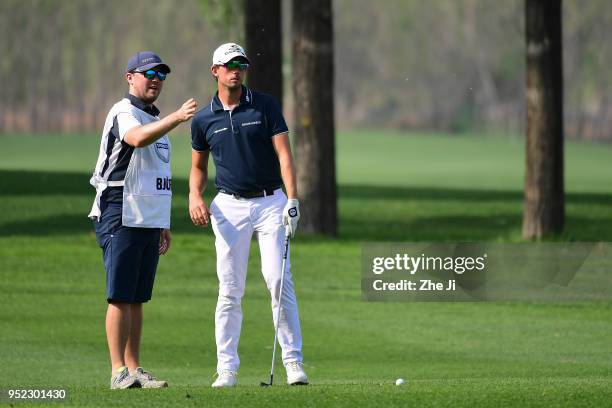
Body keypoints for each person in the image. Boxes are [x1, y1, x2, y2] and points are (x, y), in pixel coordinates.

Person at [189, 43, 308, 387]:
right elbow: (198, 167)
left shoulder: (265, 105)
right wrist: (195, 195)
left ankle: (293, 362)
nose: (236, 70)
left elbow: (284, 156)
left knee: (278, 279)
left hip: (272, 203)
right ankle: (226, 368)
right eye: (229, 65)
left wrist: (292, 200)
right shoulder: (203, 119)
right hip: (228, 206)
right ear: (215, 70)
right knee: (230, 289)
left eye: (241, 64)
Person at [88, 51, 197, 389]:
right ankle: (117, 370)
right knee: (120, 294)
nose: (155, 79)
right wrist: (178, 117)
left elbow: (156, 176)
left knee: (137, 297)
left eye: (161, 75)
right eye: (148, 73)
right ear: (130, 77)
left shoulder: (154, 120)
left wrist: (162, 221)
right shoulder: (124, 112)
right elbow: (135, 139)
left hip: (147, 216)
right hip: (118, 209)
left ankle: (134, 368)